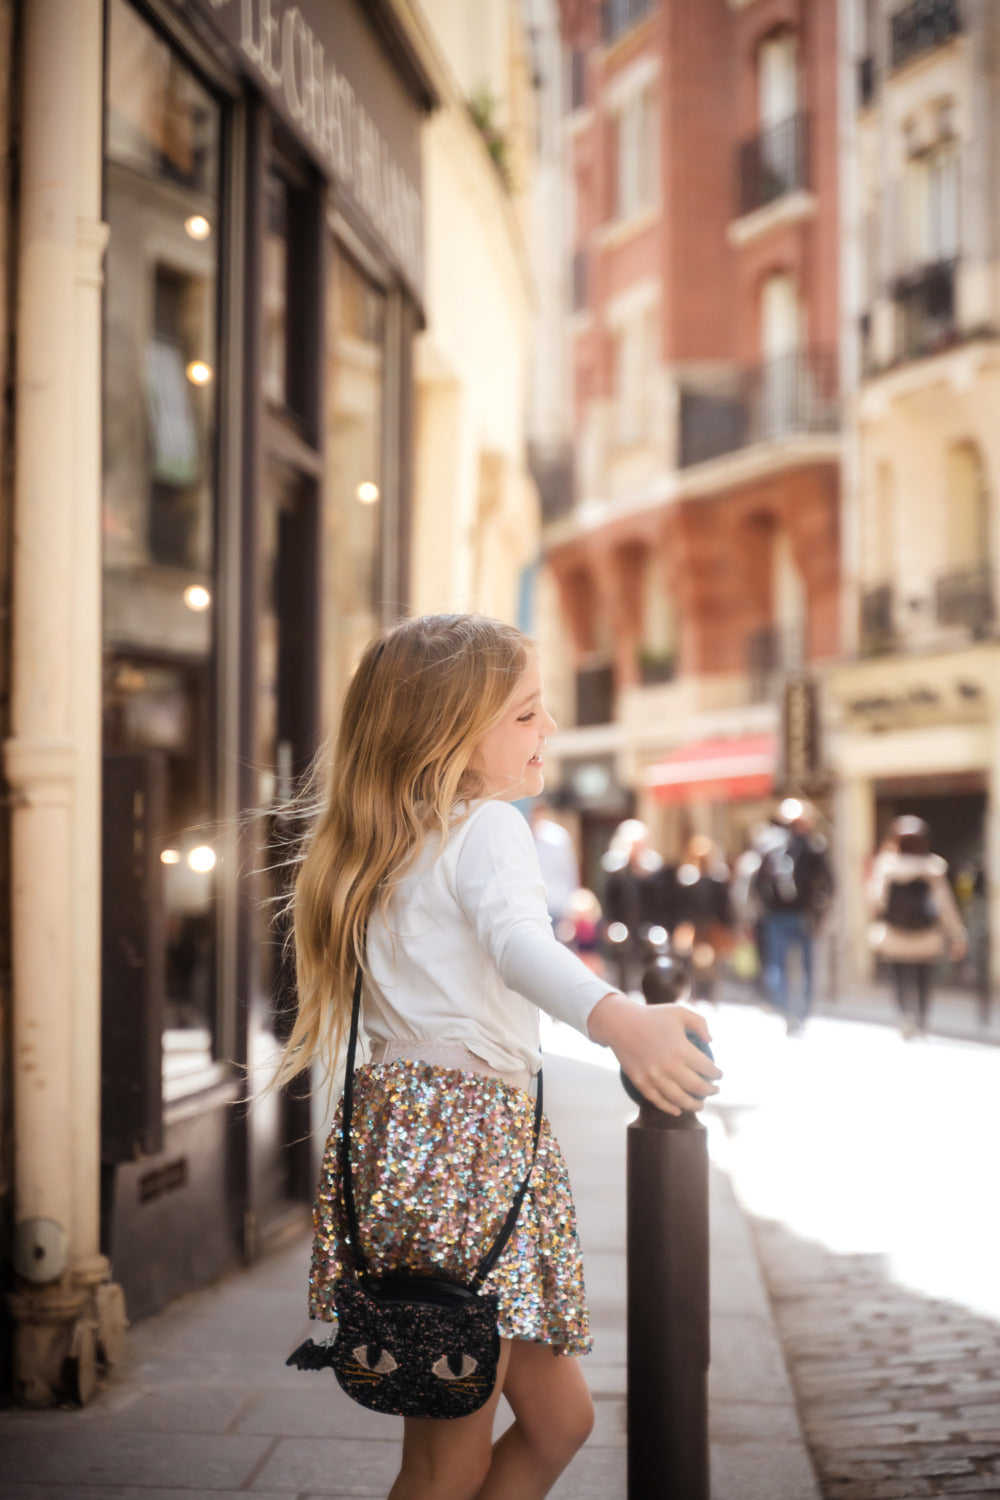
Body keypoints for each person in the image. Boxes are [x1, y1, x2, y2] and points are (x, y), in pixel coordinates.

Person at [274, 615, 721, 1500]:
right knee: (446, 1461)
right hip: (463, 1145)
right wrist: (618, 1020)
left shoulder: (398, 840)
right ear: (447, 733)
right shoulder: (485, 826)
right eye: (524, 713)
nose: (548, 726)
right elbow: (519, 942)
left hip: (420, 1137)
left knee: (560, 1422)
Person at [866, 815, 966, 1039]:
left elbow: (876, 900)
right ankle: (920, 1019)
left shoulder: (887, 865)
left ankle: (905, 1017)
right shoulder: (932, 867)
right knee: (923, 980)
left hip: (896, 935)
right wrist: (957, 934)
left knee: (899, 979)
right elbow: (944, 904)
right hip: (926, 937)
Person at [752, 798, 834, 1036]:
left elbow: (757, 883)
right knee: (803, 968)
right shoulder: (813, 847)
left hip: (778, 915)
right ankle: (800, 1013)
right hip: (800, 915)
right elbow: (829, 884)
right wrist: (818, 910)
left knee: (779, 967)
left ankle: (788, 1011)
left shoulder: (770, 846)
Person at [600, 819, 678, 993]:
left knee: (653, 948)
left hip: (647, 922)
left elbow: (662, 901)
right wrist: (610, 922)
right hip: (624, 922)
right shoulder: (616, 869)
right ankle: (622, 990)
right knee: (621, 950)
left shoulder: (654, 868)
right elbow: (609, 898)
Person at [528, 799, 580, 942]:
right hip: (534, 905)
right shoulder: (526, 835)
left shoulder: (558, 838)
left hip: (555, 905)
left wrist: (570, 908)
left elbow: (569, 872)